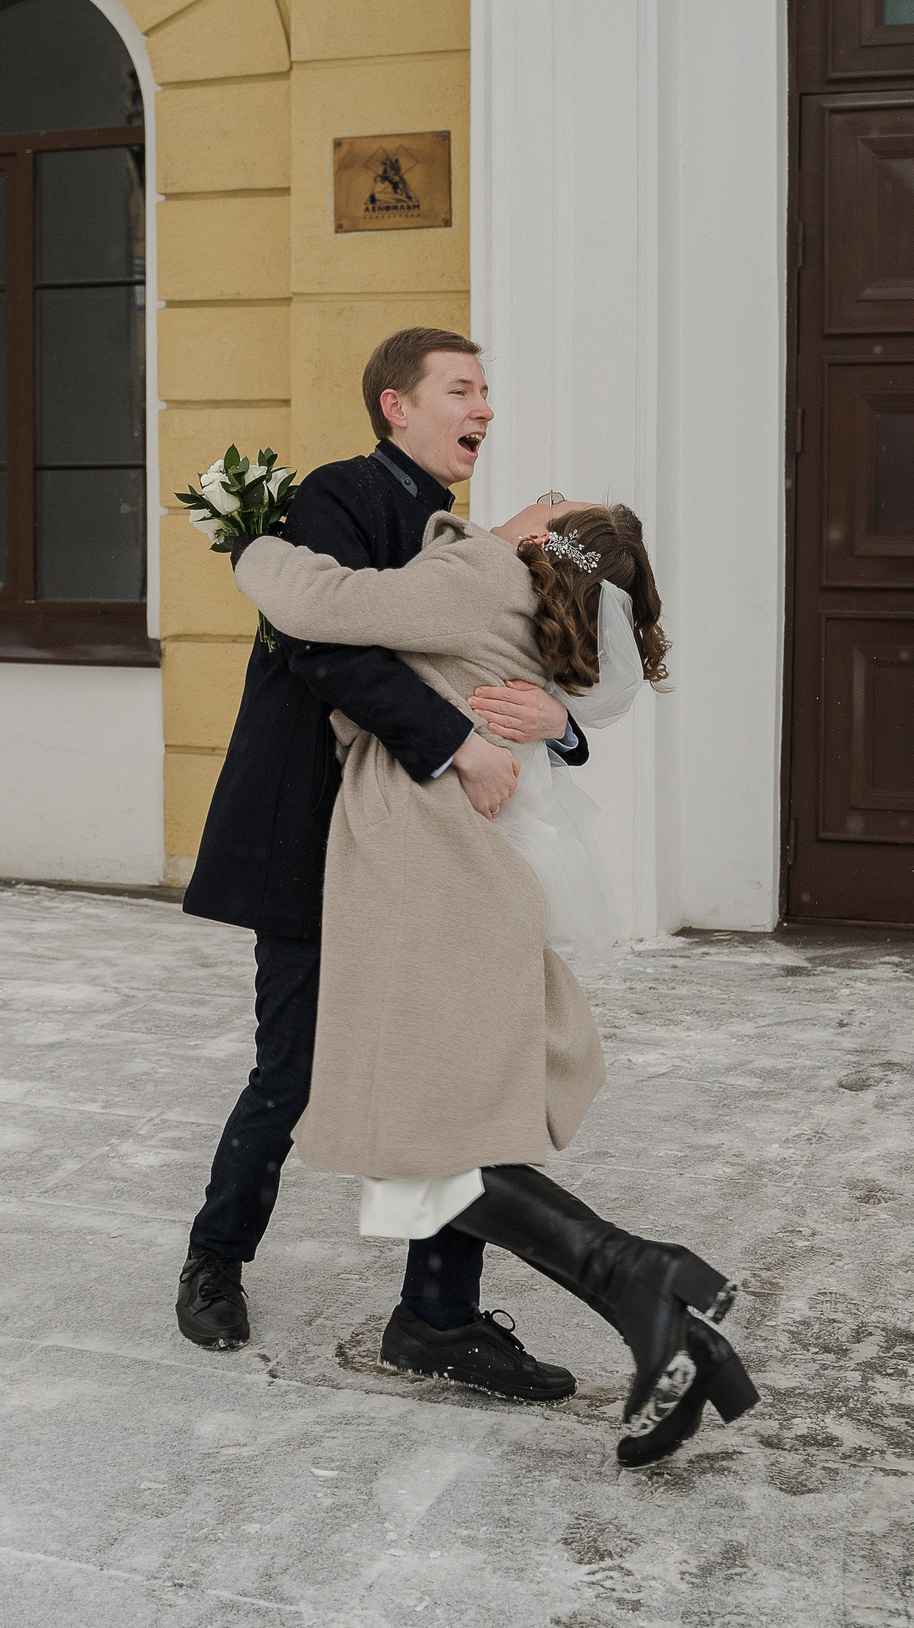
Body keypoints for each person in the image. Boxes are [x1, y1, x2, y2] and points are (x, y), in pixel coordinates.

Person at [228, 498, 760, 1465]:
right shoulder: (542, 615)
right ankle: (654, 1334)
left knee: (425, 1131)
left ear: (542, 535)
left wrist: (250, 539)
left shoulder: (476, 578)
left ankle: (638, 1277)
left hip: (426, 877)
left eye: (555, 498)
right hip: (473, 876)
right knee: (448, 1122)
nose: (532, 492)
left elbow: (318, 601)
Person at [176, 328, 590, 1403]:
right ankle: (217, 1255)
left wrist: (559, 723)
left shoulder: (486, 541)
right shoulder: (340, 495)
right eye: (462, 389)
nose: (485, 408)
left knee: (455, 1077)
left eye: (489, 389)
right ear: (395, 406)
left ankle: (439, 1319)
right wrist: (456, 744)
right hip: (318, 837)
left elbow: (545, 661)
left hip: (440, 854)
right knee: (294, 1069)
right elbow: (323, 645)